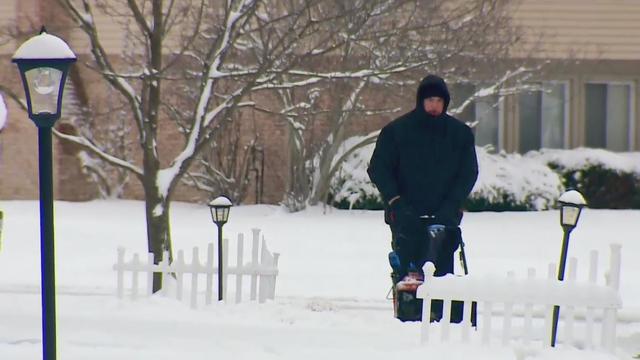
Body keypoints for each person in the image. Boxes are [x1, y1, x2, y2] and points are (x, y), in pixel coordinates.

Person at [367, 74, 478, 321]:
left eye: (439, 100)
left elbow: (468, 172)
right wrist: (396, 201)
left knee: (441, 273)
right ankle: (409, 315)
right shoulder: (397, 132)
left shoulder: (459, 135)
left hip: (444, 218)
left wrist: (452, 205)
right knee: (409, 273)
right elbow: (378, 168)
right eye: (429, 100)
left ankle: (440, 317)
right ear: (420, 101)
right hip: (406, 217)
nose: (434, 105)